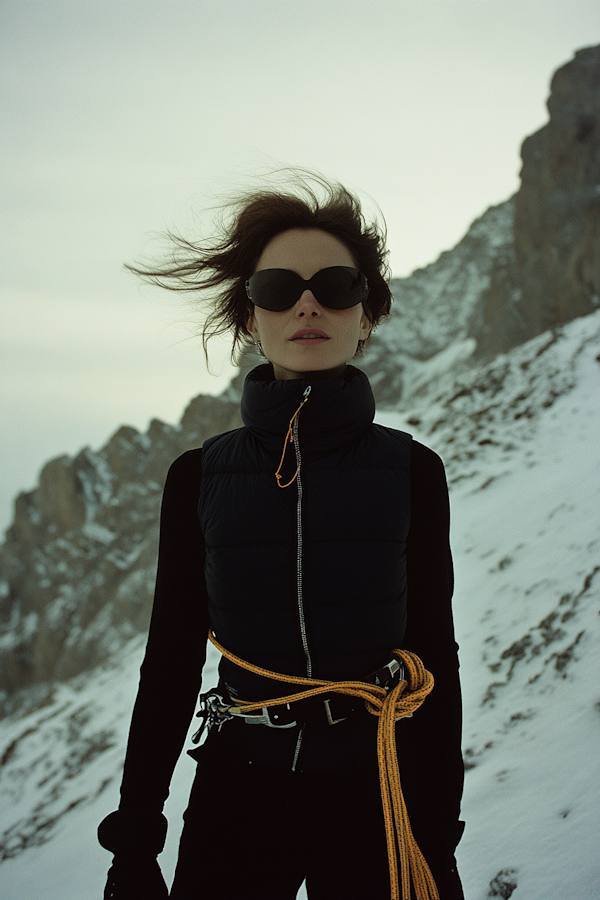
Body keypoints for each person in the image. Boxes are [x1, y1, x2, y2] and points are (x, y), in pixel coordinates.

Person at [97, 175, 465, 900]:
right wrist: (136, 842)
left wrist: (437, 837)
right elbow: (170, 660)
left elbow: (434, 658)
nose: (307, 303)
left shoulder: (412, 471)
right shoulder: (198, 476)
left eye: (335, 284)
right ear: (247, 319)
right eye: (276, 287)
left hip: (377, 791)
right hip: (238, 790)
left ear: (366, 316)